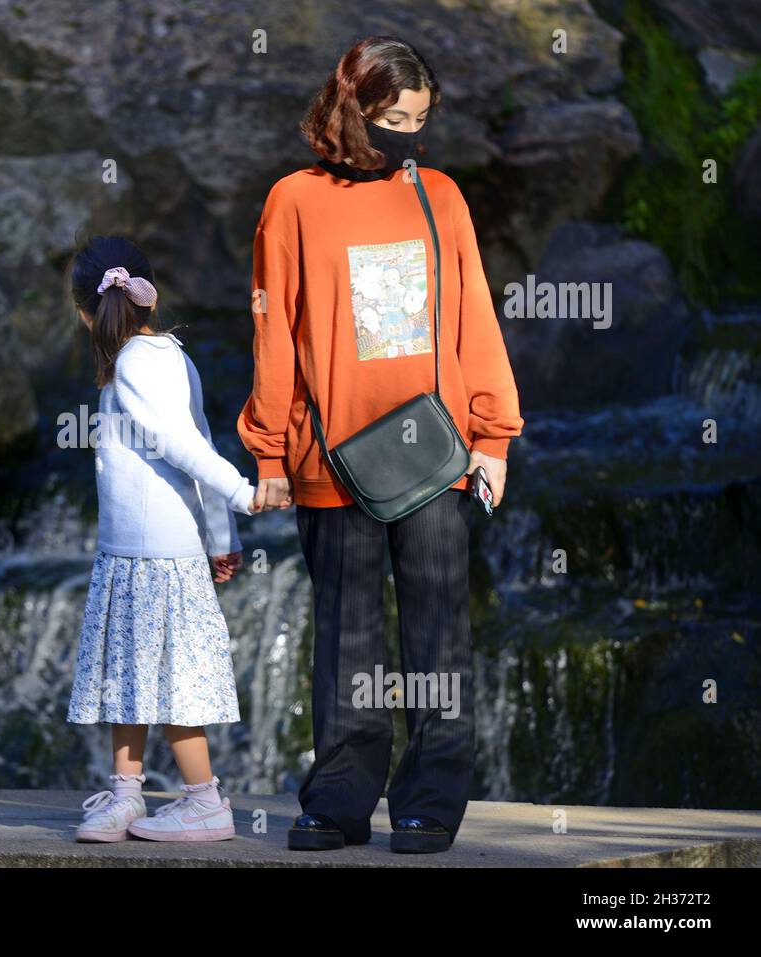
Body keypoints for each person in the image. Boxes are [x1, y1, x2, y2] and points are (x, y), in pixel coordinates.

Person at [237, 36, 524, 853]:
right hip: (329, 454)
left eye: (419, 119)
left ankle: (429, 801)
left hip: (434, 452)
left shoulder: (439, 195)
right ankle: (337, 800)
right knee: (346, 636)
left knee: (439, 632)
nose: (406, 132)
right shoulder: (292, 200)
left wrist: (494, 436)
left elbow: (473, 315)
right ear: (351, 108)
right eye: (392, 117)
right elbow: (275, 333)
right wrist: (268, 452)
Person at [66, 236, 259, 843]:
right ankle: (127, 794)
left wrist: (242, 495)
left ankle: (205, 802)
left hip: (154, 556)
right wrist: (222, 539)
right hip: (137, 552)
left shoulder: (133, 365)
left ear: (83, 312)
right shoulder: (170, 354)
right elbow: (203, 434)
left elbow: (184, 446)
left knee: (170, 681)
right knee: (131, 673)